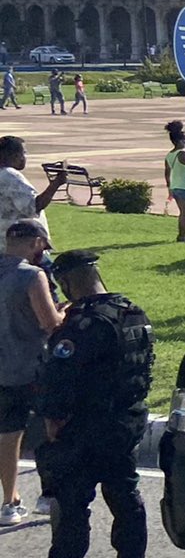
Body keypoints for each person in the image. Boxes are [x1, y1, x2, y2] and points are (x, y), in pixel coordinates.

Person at [4, 250, 154, 558]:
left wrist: (53, 425)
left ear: (68, 281)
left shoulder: (81, 324)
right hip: (125, 423)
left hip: (85, 430)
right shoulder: (133, 313)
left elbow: (59, 382)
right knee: (125, 494)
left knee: (70, 508)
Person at [0, 221, 61, 526]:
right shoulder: (31, 275)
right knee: (47, 431)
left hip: (2, 369)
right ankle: (48, 495)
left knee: (7, 436)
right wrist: (67, 309)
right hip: (32, 365)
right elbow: (50, 323)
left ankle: (9, 500)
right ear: (36, 242)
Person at [0, 135, 64, 243]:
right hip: (21, 246)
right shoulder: (10, 176)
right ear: (14, 155)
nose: (25, 156)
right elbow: (34, 207)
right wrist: (56, 183)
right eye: (24, 152)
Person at [162, 120, 185, 244]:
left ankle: (182, 235)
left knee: (183, 213)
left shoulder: (169, 155)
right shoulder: (183, 154)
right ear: (180, 141)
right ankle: (182, 236)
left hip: (175, 186)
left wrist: (169, 188)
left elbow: (167, 173)